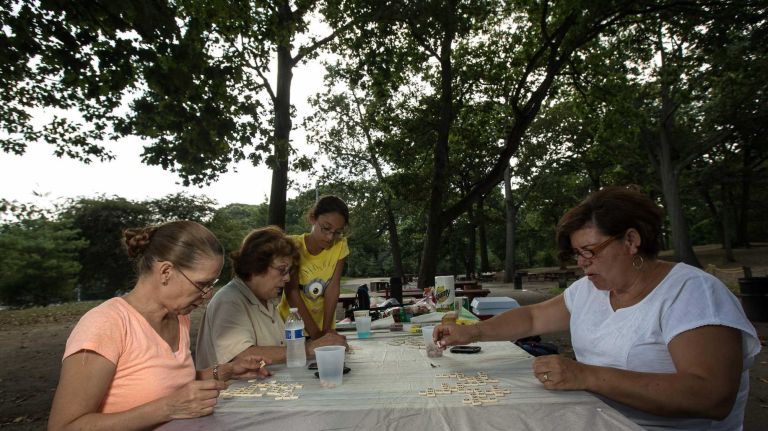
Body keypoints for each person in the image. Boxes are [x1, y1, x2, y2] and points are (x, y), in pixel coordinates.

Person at [434, 186, 761, 431]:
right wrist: (472, 331)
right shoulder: (590, 290)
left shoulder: (691, 293)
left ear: (631, 241)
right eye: (577, 255)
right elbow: (533, 316)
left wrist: (586, 375)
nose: (581, 264)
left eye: (590, 251)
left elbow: (712, 396)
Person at [48, 221, 271, 431]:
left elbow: (165, 383)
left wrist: (226, 371)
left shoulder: (178, 317)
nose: (207, 295)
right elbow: (64, 427)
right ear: (166, 272)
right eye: (202, 284)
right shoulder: (106, 324)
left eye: (212, 284)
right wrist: (167, 409)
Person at [195, 226, 347, 369]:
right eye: (282, 270)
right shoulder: (229, 300)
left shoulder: (265, 302)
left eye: (289, 271)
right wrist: (306, 349)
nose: (287, 278)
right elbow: (242, 356)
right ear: (255, 265)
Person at [278, 195, 350, 338]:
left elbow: (332, 288)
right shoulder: (293, 245)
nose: (330, 237)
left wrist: (327, 330)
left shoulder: (340, 245)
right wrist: (316, 335)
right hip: (291, 327)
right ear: (312, 218)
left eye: (337, 232)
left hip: (321, 326)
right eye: (326, 228)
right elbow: (292, 292)